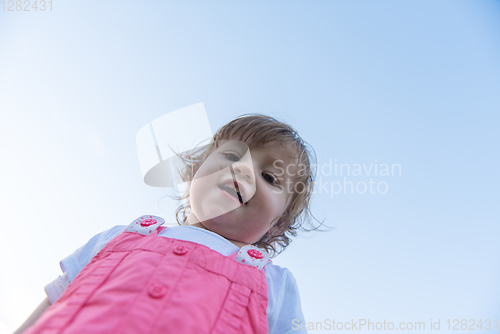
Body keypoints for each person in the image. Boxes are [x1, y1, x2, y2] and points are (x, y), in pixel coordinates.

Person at [15, 114, 318, 334]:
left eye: (269, 177)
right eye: (231, 154)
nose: (243, 169)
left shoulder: (275, 284)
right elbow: (53, 304)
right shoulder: (118, 238)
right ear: (196, 170)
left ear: (277, 224)